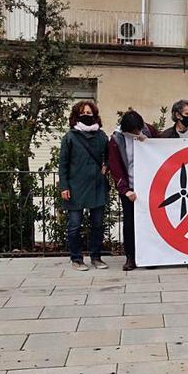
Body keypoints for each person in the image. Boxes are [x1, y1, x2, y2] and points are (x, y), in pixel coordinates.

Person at [58, 101, 110, 271]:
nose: (87, 115)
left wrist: (106, 165)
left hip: (97, 186)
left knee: (97, 224)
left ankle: (96, 257)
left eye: (90, 113)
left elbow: (110, 155)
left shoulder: (102, 136)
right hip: (75, 188)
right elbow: (63, 164)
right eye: (83, 113)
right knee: (74, 225)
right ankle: (76, 259)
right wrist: (64, 187)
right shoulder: (70, 137)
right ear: (76, 116)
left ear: (95, 115)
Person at [108, 110, 159, 271]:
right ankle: (131, 257)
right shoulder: (116, 140)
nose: (137, 133)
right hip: (130, 188)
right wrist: (125, 189)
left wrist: (150, 142)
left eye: (139, 129)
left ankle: (150, 256)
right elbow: (115, 168)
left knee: (151, 222)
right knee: (130, 223)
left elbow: (162, 149)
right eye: (134, 131)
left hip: (150, 187)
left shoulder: (149, 131)